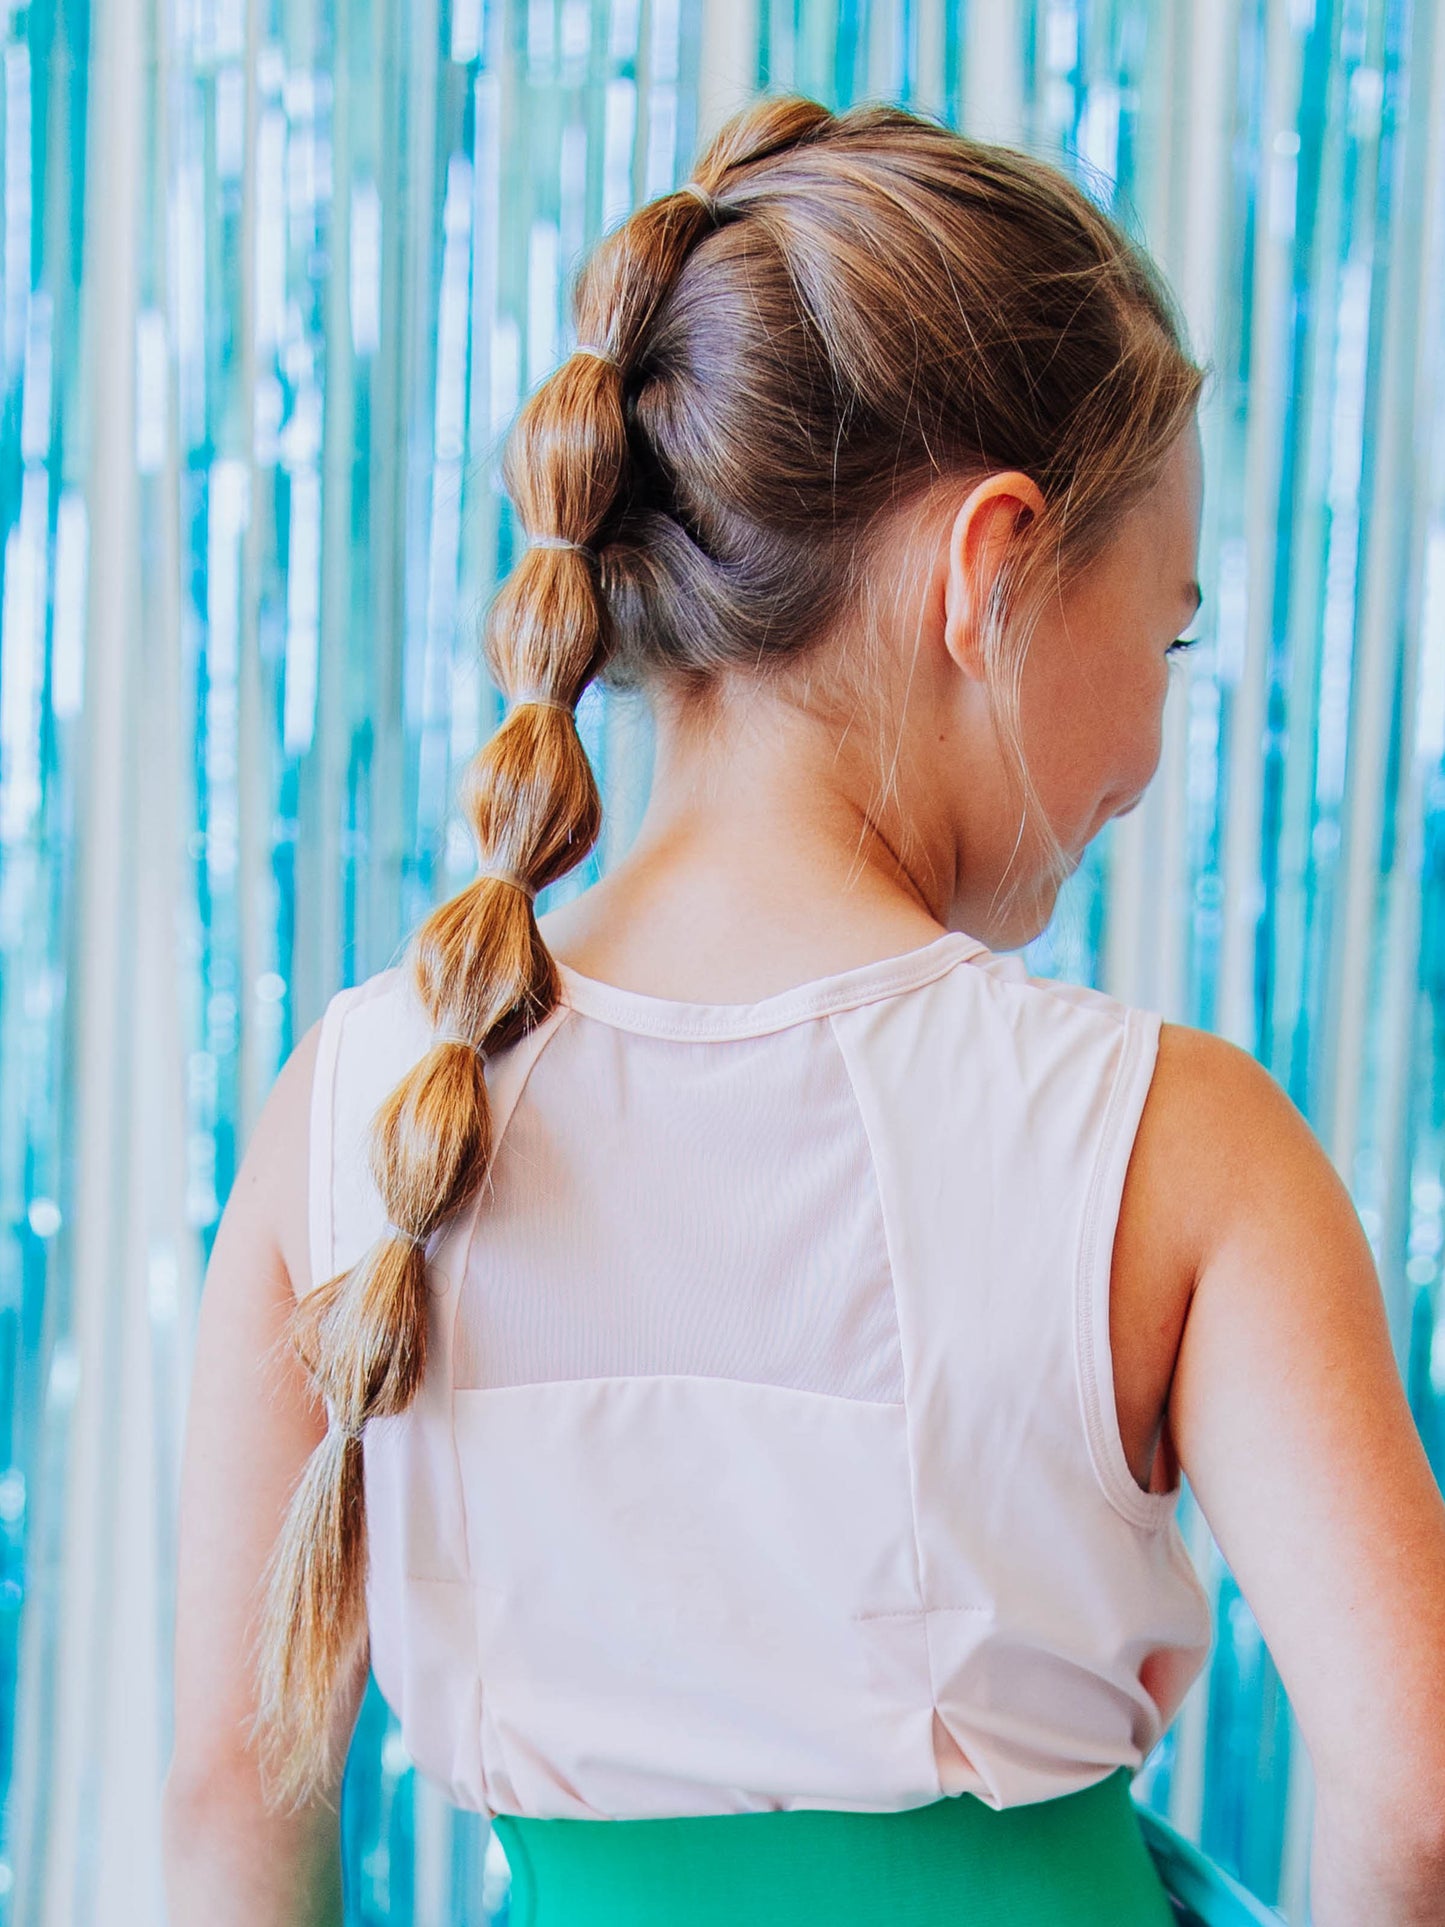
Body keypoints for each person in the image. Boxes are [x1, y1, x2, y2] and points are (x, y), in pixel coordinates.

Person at [160, 95, 1445, 1927]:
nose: (1151, 759)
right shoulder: (1176, 1143)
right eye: (1159, 637)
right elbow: (1422, 1792)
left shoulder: (362, 1102)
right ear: (988, 568)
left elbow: (230, 1799)